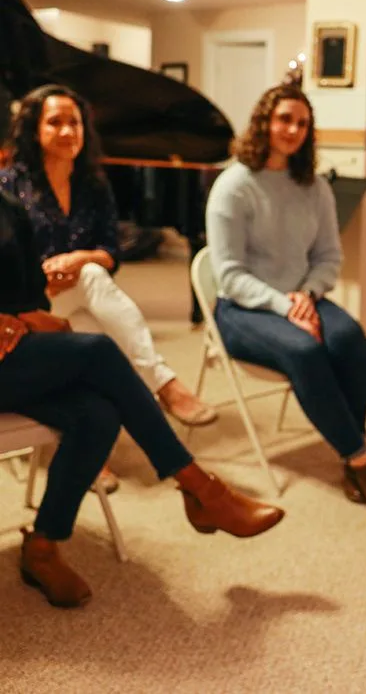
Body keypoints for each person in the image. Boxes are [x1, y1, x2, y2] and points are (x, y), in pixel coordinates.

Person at [0, 187, 285, 609]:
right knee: (97, 353)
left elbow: (28, 293)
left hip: (14, 354)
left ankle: (42, 548)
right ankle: (200, 489)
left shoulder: (8, 206)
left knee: (96, 414)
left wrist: (27, 315)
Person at [205, 83, 366, 526]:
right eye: (284, 119)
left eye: (301, 123)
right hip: (243, 309)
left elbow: (328, 256)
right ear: (265, 122)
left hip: (302, 297)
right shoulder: (233, 186)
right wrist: (285, 306)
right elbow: (230, 275)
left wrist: (307, 295)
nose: (292, 129)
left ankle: (350, 445)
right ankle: (361, 462)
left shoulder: (314, 187)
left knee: (352, 339)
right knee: (305, 350)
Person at [1, 85, 218, 491]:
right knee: (99, 331)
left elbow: (110, 252)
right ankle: (163, 385)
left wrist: (79, 259)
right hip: (28, 308)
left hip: (79, 297)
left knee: (94, 305)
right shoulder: (10, 184)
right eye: (55, 122)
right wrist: (41, 274)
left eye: (75, 122)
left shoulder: (95, 184)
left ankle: (84, 445)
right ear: (34, 130)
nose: (68, 131)